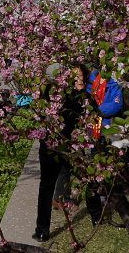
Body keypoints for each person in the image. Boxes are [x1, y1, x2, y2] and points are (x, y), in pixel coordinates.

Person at [34, 65, 86, 242]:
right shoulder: (72, 95)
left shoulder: (44, 94)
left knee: (46, 186)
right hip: (65, 143)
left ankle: (42, 230)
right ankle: (89, 214)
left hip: (49, 144)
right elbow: (83, 113)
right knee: (64, 175)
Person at [84, 68, 125, 226]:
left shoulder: (114, 82)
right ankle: (100, 201)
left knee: (111, 162)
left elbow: (116, 103)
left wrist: (98, 111)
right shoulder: (92, 81)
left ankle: (112, 197)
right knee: (96, 162)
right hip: (94, 128)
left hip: (108, 127)